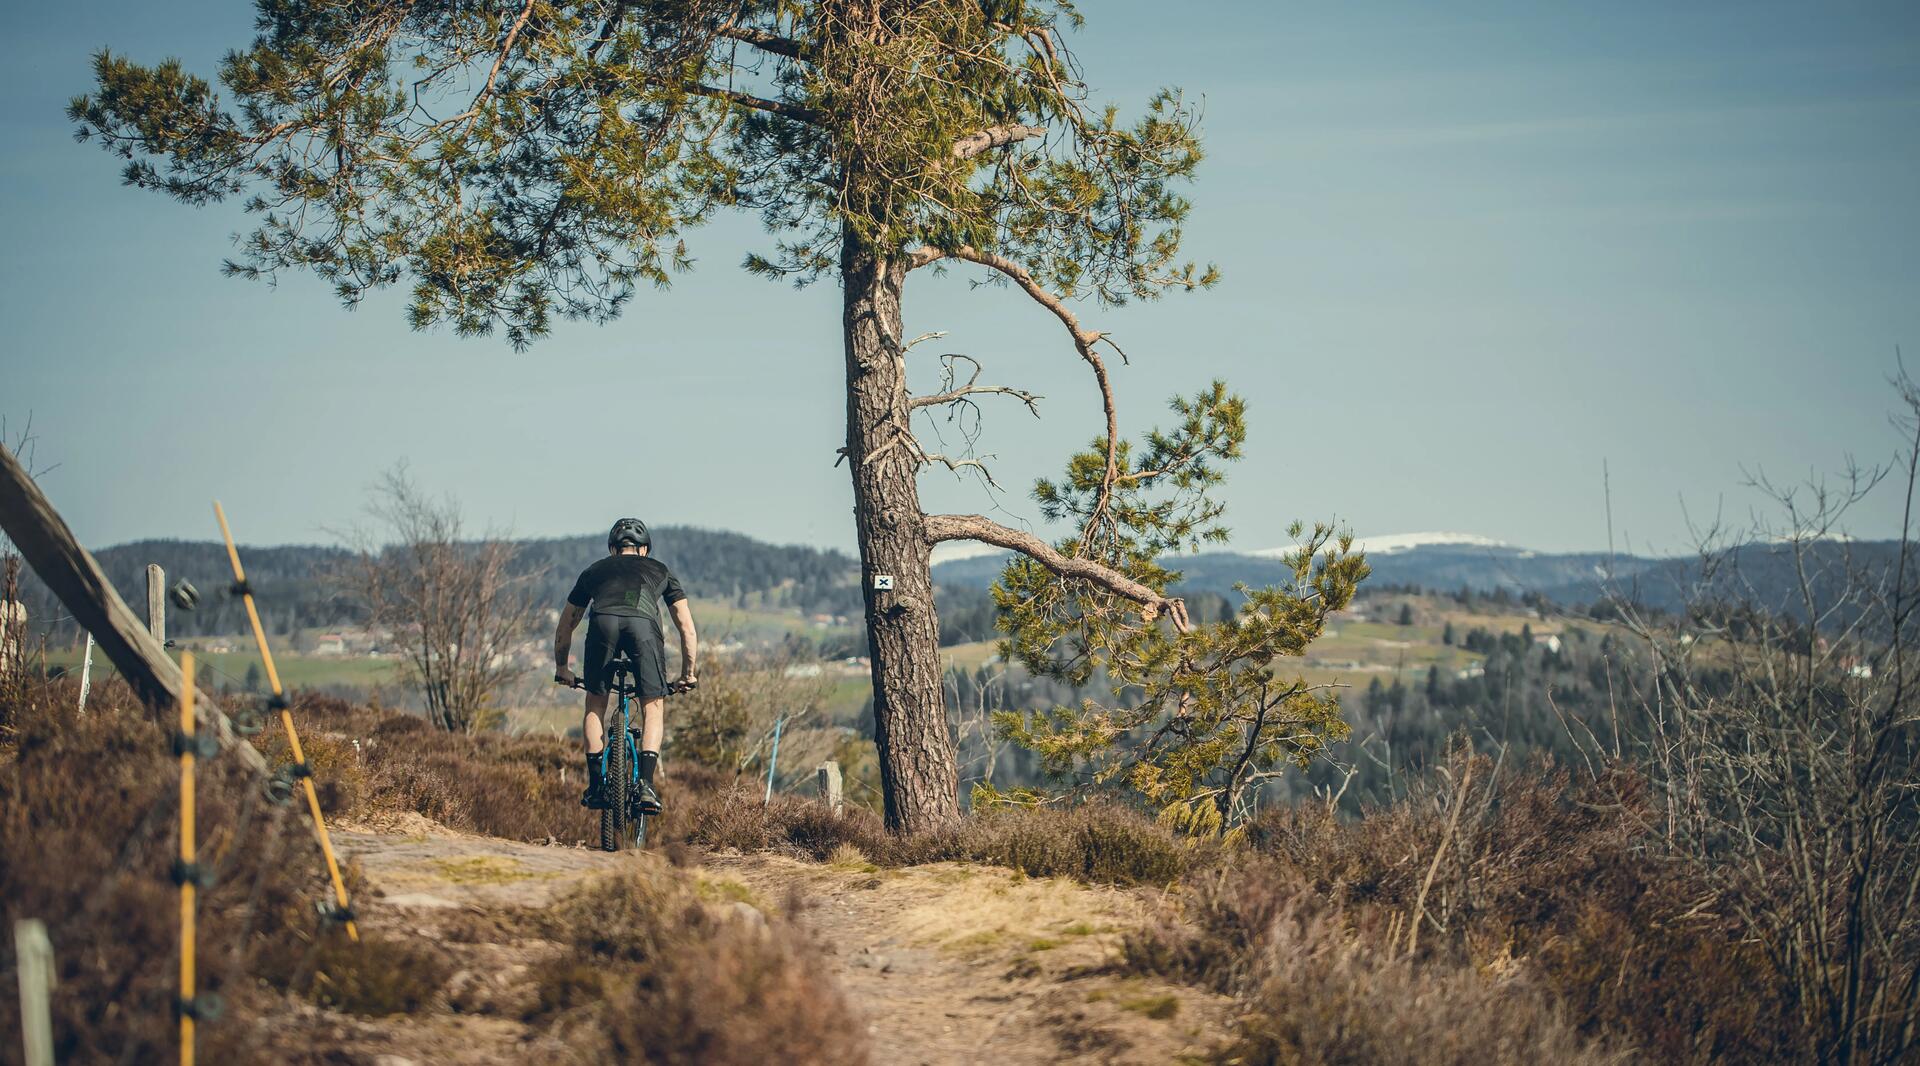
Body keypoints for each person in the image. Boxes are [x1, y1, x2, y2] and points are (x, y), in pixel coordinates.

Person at [554, 518, 697, 814]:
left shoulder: (594, 571)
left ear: (611, 548)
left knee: (595, 703)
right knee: (653, 706)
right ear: (644, 550)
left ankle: (596, 787)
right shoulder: (660, 570)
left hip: (602, 624)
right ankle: (645, 784)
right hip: (643, 627)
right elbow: (686, 627)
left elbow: (566, 624)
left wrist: (562, 668)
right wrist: (688, 673)